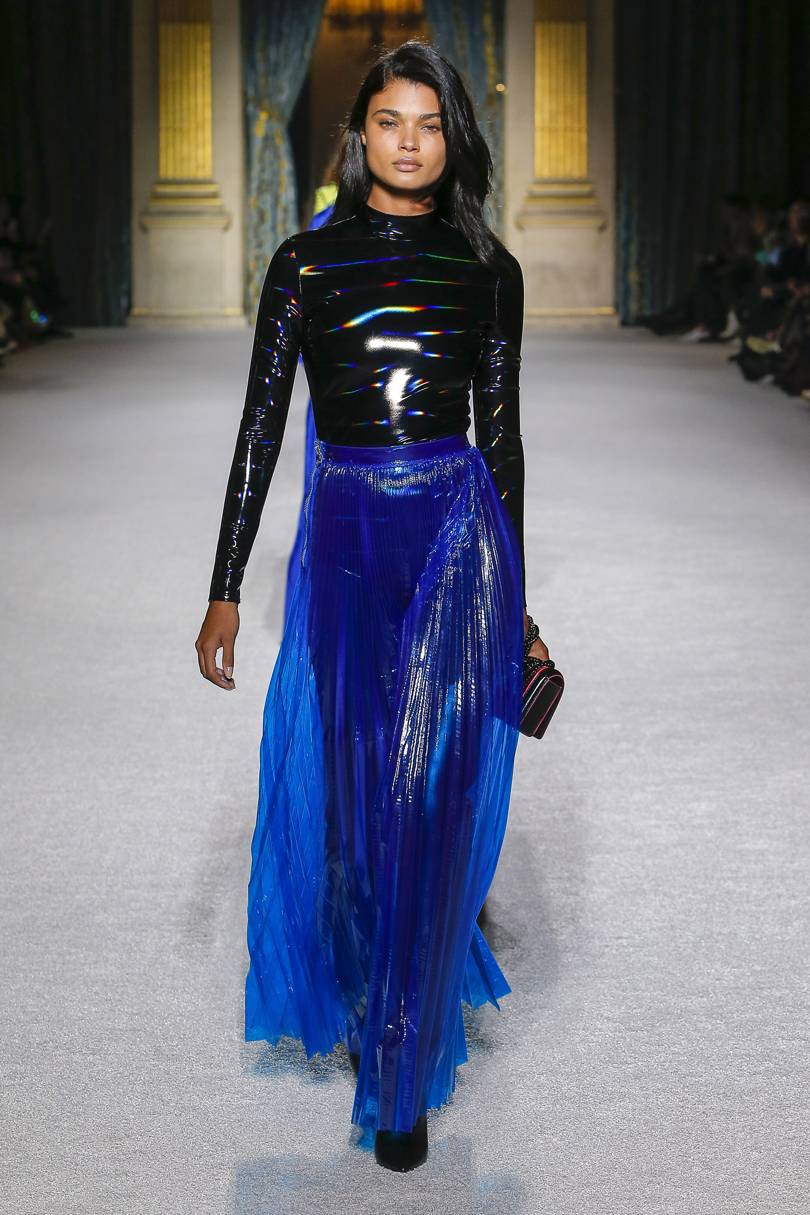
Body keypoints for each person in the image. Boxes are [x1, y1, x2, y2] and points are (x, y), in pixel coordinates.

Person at [195, 39, 551, 1172]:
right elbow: (260, 428)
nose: (410, 141)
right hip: (346, 539)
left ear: (454, 139)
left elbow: (503, 442)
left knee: (428, 790)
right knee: (356, 796)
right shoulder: (304, 264)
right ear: (360, 136)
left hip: (453, 535)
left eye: (430, 124)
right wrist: (225, 585)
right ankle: (368, 984)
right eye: (391, 121)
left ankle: (401, 1065)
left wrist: (515, 598)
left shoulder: (488, 269)